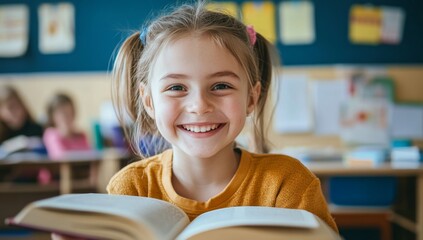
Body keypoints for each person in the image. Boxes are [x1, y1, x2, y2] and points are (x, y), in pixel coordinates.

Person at [52, 2, 337, 239]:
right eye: (176, 88)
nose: (199, 106)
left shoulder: (287, 185)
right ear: (149, 101)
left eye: (221, 86)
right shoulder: (131, 188)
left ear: (251, 98)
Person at [43, 93, 91, 159]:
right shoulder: (51, 134)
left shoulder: (81, 135)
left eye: (69, 113)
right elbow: (59, 156)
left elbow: (89, 157)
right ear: (52, 116)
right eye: (62, 114)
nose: (66, 117)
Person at [0, 85, 44, 154]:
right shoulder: (2, 134)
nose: (16, 110)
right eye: (10, 107)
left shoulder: (37, 129)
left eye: (18, 105)